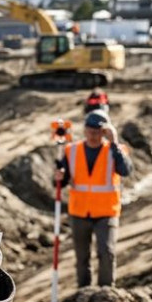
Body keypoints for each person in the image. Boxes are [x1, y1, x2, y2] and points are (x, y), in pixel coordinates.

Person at [54, 110, 132, 288]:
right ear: (84, 130)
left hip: (106, 212)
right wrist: (59, 176)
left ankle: (105, 291)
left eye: (97, 132)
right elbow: (62, 180)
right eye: (89, 131)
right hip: (79, 212)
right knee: (82, 257)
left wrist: (114, 142)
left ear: (105, 132)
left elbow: (126, 170)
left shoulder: (115, 150)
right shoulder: (71, 150)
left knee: (106, 252)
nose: (93, 136)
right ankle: (84, 291)